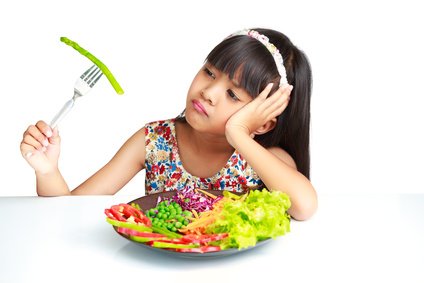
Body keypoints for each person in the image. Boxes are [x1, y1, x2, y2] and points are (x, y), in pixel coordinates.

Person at [20, 28, 318, 220]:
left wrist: (239, 134)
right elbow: (68, 210)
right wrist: (48, 172)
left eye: (232, 94)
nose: (208, 93)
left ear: (264, 124)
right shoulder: (154, 140)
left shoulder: (265, 161)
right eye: (209, 73)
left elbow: (304, 207)